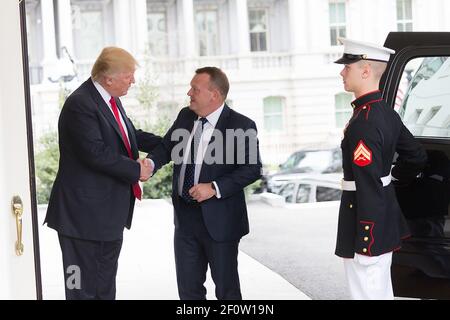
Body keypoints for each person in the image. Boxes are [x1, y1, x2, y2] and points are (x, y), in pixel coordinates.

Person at [44, 47, 162, 300]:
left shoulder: (110, 99)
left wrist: (168, 145)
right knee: (79, 289)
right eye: (129, 75)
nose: (134, 81)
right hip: (81, 219)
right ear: (109, 78)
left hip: (107, 217)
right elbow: (94, 153)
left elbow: (129, 136)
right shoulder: (80, 103)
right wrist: (137, 170)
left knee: (104, 288)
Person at [148, 66, 262, 300]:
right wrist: (149, 165)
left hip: (221, 221)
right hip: (185, 220)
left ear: (215, 95)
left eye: (195, 89)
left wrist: (214, 188)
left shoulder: (241, 125)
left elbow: (252, 169)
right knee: (189, 292)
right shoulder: (185, 116)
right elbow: (167, 148)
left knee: (227, 291)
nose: (189, 93)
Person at [333, 38, 427, 300]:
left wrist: (367, 239)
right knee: (378, 290)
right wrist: (393, 176)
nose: (341, 72)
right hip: (382, 218)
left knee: (367, 292)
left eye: (347, 67)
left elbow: (368, 184)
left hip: (366, 225)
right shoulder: (385, 112)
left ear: (365, 71)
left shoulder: (364, 121)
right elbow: (416, 156)